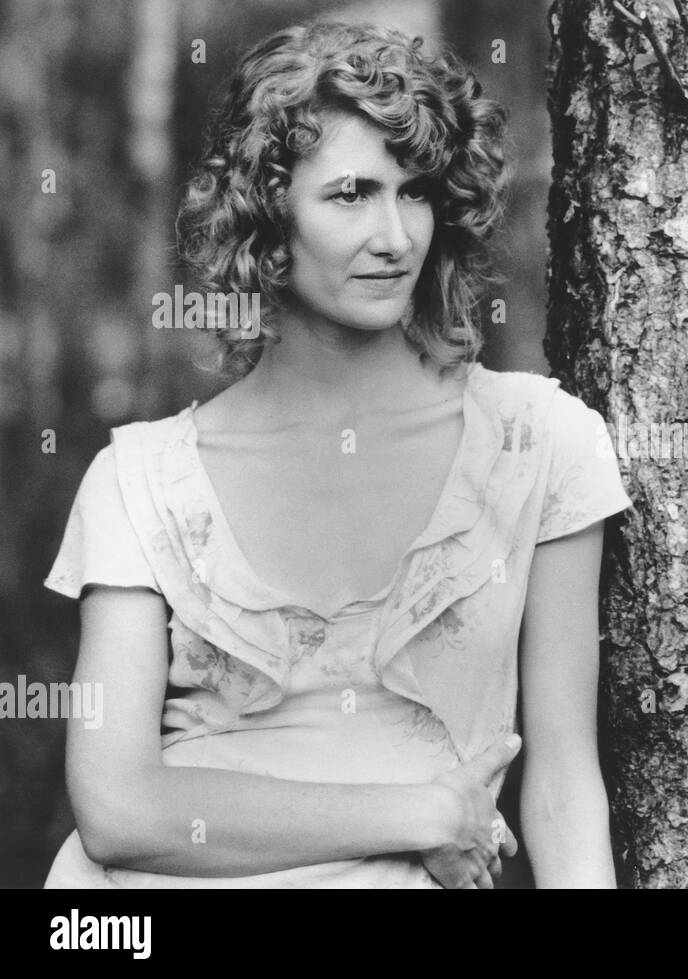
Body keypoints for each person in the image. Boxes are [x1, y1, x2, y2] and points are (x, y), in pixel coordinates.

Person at [43, 20, 630, 888]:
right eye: (351, 194)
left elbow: (564, 783)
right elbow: (119, 809)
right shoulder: (140, 481)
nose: (395, 236)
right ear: (267, 217)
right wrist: (422, 811)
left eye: (416, 191)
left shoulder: (539, 444)